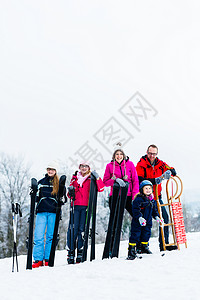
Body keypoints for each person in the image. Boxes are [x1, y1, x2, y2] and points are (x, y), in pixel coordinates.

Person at [136, 144, 177, 251]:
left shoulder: (160, 164)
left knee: (164, 218)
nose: (152, 156)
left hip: (157, 197)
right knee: (145, 221)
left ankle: (164, 244)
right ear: (147, 152)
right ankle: (142, 246)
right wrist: (155, 180)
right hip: (145, 198)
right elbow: (139, 179)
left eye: (154, 154)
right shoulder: (141, 164)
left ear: (156, 154)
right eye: (150, 153)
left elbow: (172, 170)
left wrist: (170, 172)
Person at [66, 162, 104, 264]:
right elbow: (69, 195)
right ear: (79, 167)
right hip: (75, 206)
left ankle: (80, 251)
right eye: (82, 166)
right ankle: (71, 251)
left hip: (86, 207)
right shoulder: (75, 178)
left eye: (86, 166)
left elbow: (101, 188)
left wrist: (98, 178)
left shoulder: (91, 179)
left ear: (89, 168)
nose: (83, 168)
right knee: (73, 229)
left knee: (82, 229)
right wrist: (71, 191)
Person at [32, 161, 60, 268]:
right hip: (42, 211)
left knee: (50, 236)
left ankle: (48, 258)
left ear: (55, 171)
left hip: (53, 211)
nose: (50, 171)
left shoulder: (59, 184)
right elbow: (36, 198)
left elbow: (64, 199)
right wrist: (33, 193)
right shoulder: (41, 182)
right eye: (48, 169)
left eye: (52, 169)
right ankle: (38, 259)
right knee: (38, 236)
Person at [127, 180, 163, 260]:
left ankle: (143, 247)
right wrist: (139, 217)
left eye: (149, 188)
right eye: (146, 188)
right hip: (138, 221)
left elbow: (154, 211)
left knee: (146, 234)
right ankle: (132, 250)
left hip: (148, 221)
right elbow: (135, 210)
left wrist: (157, 217)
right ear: (142, 190)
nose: (148, 190)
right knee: (136, 234)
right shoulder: (139, 199)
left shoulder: (152, 200)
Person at [103, 143, 139, 217]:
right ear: (114, 156)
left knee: (136, 215)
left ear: (124, 155)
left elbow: (135, 181)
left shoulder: (130, 164)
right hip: (115, 195)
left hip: (128, 195)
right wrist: (114, 180)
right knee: (115, 219)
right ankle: (114, 229)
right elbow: (105, 182)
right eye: (117, 154)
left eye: (121, 154)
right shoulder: (109, 166)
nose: (119, 156)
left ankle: (139, 228)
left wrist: (134, 196)